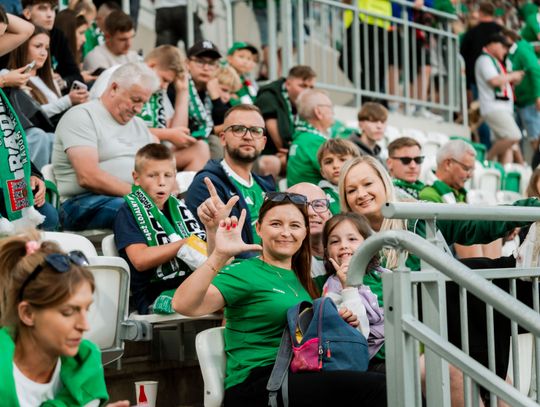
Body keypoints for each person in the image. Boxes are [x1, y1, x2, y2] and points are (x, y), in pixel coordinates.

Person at [172, 193, 387, 407]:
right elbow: (183, 304)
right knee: (382, 388)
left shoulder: (303, 279)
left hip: (298, 374)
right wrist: (219, 254)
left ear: (305, 232)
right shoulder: (245, 272)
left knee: (388, 379)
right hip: (259, 384)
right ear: (259, 229)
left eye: (295, 225)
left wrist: (340, 321)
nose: (286, 232)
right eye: (276, 224)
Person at [0, 234, 129, 406]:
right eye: (68, 312)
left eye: (86, 309)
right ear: (28, 313)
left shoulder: (84, 362)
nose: (84, 326)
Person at [52, 62, 158, 230]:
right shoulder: (82, 116)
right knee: (137, 210)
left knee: (179, 209)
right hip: (81, 202)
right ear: (114, 88)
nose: (139, 109)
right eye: (135, 100)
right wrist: (141, 197)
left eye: (144, 103)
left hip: (130, 200)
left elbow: (159, 167)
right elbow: (88, 177)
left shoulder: (139, 125)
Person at [114, 143, 207, 314]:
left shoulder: (179, 207)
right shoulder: (128, 211)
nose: (162, 182)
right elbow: (140, 260)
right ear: (136, 178)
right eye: (152, 175)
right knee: (230, 294)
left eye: (168, 175)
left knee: (236, 284)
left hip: (193, 283)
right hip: (155, 293)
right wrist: (183, 244)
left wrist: (215, 227)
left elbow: (207, 252)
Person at [90, 45, 210, 171]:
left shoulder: (158, 90)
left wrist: (183, 91)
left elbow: (177, 135)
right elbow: (110, 127)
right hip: (121, 152)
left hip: (151, 154)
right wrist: (167, 134)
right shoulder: (121, 74)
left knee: (200, 149)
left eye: (169, 83)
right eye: (164, 79)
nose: (164, 86)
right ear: (152, 65)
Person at [185, 104, 275, 255]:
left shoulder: (267, 187)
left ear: (264, 142)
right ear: (223, 138)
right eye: (238, 129)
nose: (248, 136)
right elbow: (206, 251)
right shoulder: (206, 185)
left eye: (255, 131)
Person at [321, 212, 386, 371]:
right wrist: (348, 286)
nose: (343, 245)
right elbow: (355, 336)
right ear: (327, 252)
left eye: (352, 239)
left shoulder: (384, 275)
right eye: (335, 241)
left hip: (401, 347)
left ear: (369, 245)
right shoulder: (332, 287)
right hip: (372, 361)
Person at [7, 26, 89, 121]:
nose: (44, 53)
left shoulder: (50, 77)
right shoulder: (9, 77)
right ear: (22, 47)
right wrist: (68, 100)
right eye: (38, 46)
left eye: (46, 48)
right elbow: (32, 116)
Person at [475, 33, 524, 164]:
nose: (506, 51)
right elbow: (494, 81)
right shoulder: (484, 60)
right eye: (503, 47)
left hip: (502, 108)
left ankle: (501, 172)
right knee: (514, 136)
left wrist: (512, 79)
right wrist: (513, 76)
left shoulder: (494, 61)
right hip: (494, 108)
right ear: (493, 44)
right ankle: (486, 161)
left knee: (506, 146)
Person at [255, 65, 316, 157]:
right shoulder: (268, 98)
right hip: (269, 154)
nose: (307, 91)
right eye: (303, 86)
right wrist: (293, 153)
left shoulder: (302, 102)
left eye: (311, 87)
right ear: (288, 84)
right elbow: (280, 144)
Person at [21, 0, 83, 87]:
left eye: (53, 9)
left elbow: (76, 75)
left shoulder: (58, 36)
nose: (50, 15)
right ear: (27, 13)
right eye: (42, 9)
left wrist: (62, 83)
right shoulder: (17, 36)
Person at [503, 28, 540, 168]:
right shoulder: (512, 52)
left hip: (529, 101)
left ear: (509, 38)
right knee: (516, 138)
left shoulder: (522, 49)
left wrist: (538, 95)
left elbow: (535, 70)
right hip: (518, 102)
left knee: (535, 137)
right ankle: (523, 167)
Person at [286, 89, 334, 187]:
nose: (333, 112)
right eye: (330, 107)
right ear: (318, 112)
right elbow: (343, 174)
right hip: (313, 196)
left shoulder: (303, 137)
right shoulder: (314, 142)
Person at [287, 182, 332, 281]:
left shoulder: (348, 249)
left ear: (329, 213)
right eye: (302, 206)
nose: (311, 212)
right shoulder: (282, 262)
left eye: (319, 205)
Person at [317, 138, 360, 214]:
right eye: (328, 162)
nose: (335, 165)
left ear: (356, 164)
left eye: (342, 159)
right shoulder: (319, 197)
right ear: (322, 172)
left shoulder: (367, 190)